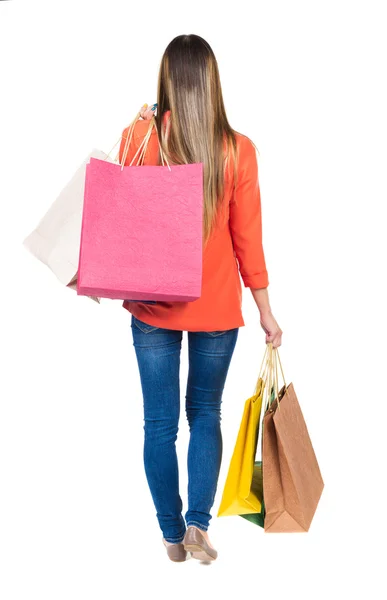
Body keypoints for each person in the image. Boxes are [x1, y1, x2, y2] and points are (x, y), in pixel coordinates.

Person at [118, 34, 282, 563]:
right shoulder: (237, 149)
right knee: (205, 414)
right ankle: (197, 525)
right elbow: (247, 238)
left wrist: (144, 119)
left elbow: (121, 207)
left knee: (159, 423)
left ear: (167, 78)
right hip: (215, 310)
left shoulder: (142, 136)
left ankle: (170, 535)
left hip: (152, 306)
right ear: (212, 82)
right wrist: (265, 311)